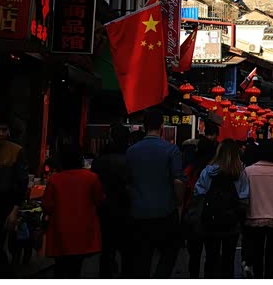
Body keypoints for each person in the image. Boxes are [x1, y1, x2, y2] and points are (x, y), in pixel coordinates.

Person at [125, 108, 185, 278]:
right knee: (168, 254)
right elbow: (178, 181)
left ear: (144, 126)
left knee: (142, 258)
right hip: (165, 212)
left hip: (139, 214)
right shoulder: (171, 150)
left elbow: (127, 182)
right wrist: (179, 204)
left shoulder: (131, 151)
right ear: (162, 126)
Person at [42, 145, 104, 278]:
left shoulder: (55, 180)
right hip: (83, 228)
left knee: (60, 267)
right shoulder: (92, 178)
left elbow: (47, 205)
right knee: (75, 268)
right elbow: (99, 200)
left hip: (60, 228)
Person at [0, 114, 29, 278]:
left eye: (4, 130)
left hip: (3, 206)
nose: (1, 133)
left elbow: (21, 184)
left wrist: (14, 210)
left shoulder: (16, 151)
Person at [194, 139, 250, 278]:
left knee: (211, 257)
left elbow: (198, 192)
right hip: (231, 221)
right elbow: (244, 196)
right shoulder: (240, 173)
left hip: (210, 220)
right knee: (228, 259)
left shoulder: (208, 171)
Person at [243, 140, 273, 278]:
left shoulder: (248, 171)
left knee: (257, 251)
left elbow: (244, 194)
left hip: (254, 217)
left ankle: (258, 276)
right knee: (272, 252)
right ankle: (269, 276)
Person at [91, 123, 132, 278]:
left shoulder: (100, 160)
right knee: (127, 252)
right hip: (127, 209)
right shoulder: (130, 159)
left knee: (107, 250)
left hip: (105, 210)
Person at [184, 137, 219, 278]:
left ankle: (194, 277)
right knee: (211, 253)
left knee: (194, 253)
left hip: (194, 213)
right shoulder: (216, 170)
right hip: (213, 214)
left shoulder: (190, 169)